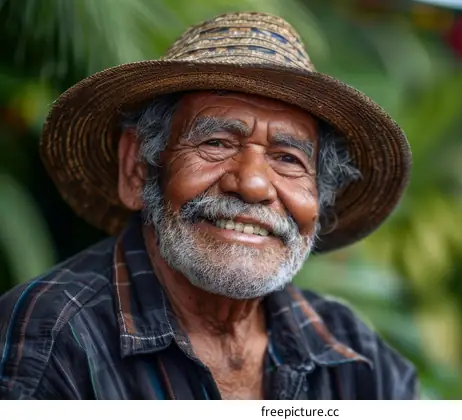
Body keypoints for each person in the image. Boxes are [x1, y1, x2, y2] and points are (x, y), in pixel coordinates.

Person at [0, 12, 415, 400]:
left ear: (319, 203)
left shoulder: (353, 354)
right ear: (139, 168)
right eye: (216, 143)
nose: (252, 185)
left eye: (289, 159)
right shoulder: (49, 338)